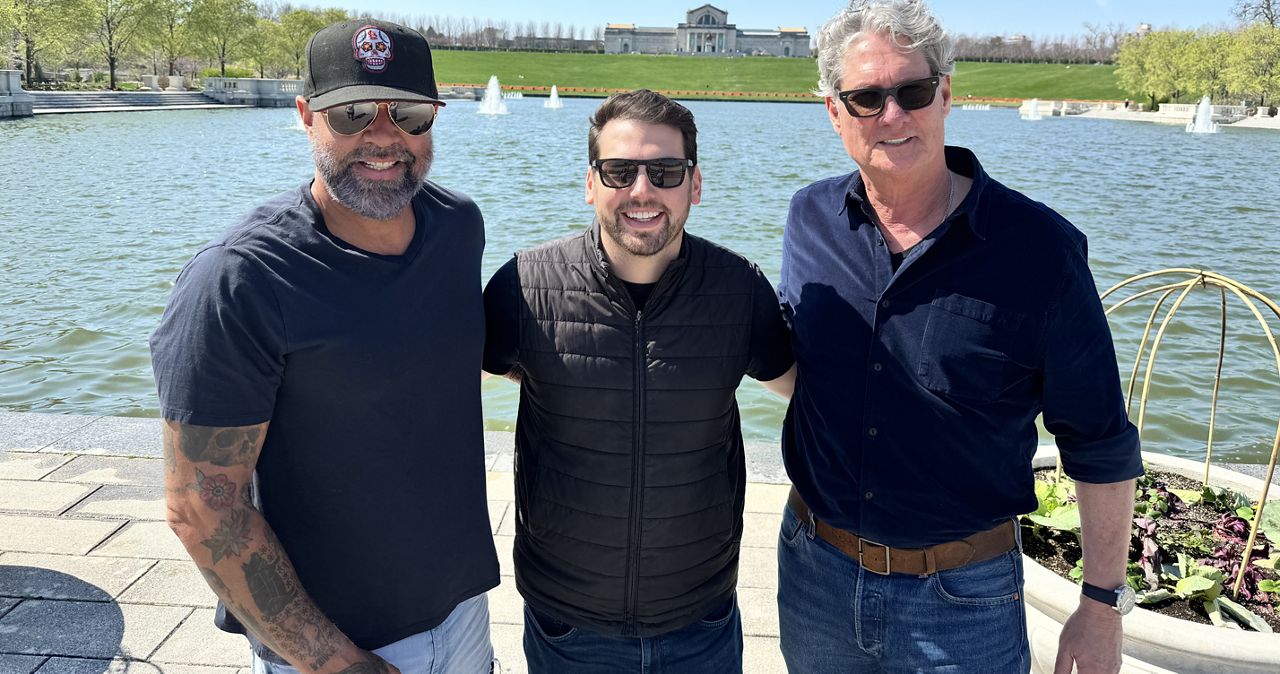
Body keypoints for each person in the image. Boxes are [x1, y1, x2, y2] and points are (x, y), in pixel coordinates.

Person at [776, 2, 1142, 673]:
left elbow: (1099, 440)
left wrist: (1100, 605)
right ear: (835, 113)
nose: (892, 115)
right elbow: (792, 358)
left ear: (946, 94)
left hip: (962, 602)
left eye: (912, 92)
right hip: (815, 575)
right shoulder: (808, 219)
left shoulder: (1040, 251)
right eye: (865, 98)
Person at [151, 19, 498, 674]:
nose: (383, 135)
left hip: (463, 611)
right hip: (334, 644)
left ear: (434, 119)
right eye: (353, 112)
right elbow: (200, 508)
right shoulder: (238, 280)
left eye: (410, 113)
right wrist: (335, 663)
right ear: (307, 116)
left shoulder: (458, 227)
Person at [482, 89, 795, 673]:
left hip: (699, 615)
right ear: (591, 183)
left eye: (665, 172)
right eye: (620, 171)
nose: (642, 191)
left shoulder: (738, 289)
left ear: (694, 185)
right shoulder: (524, 285)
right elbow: (447, 375)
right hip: (568, 619)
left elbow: (806, 393)